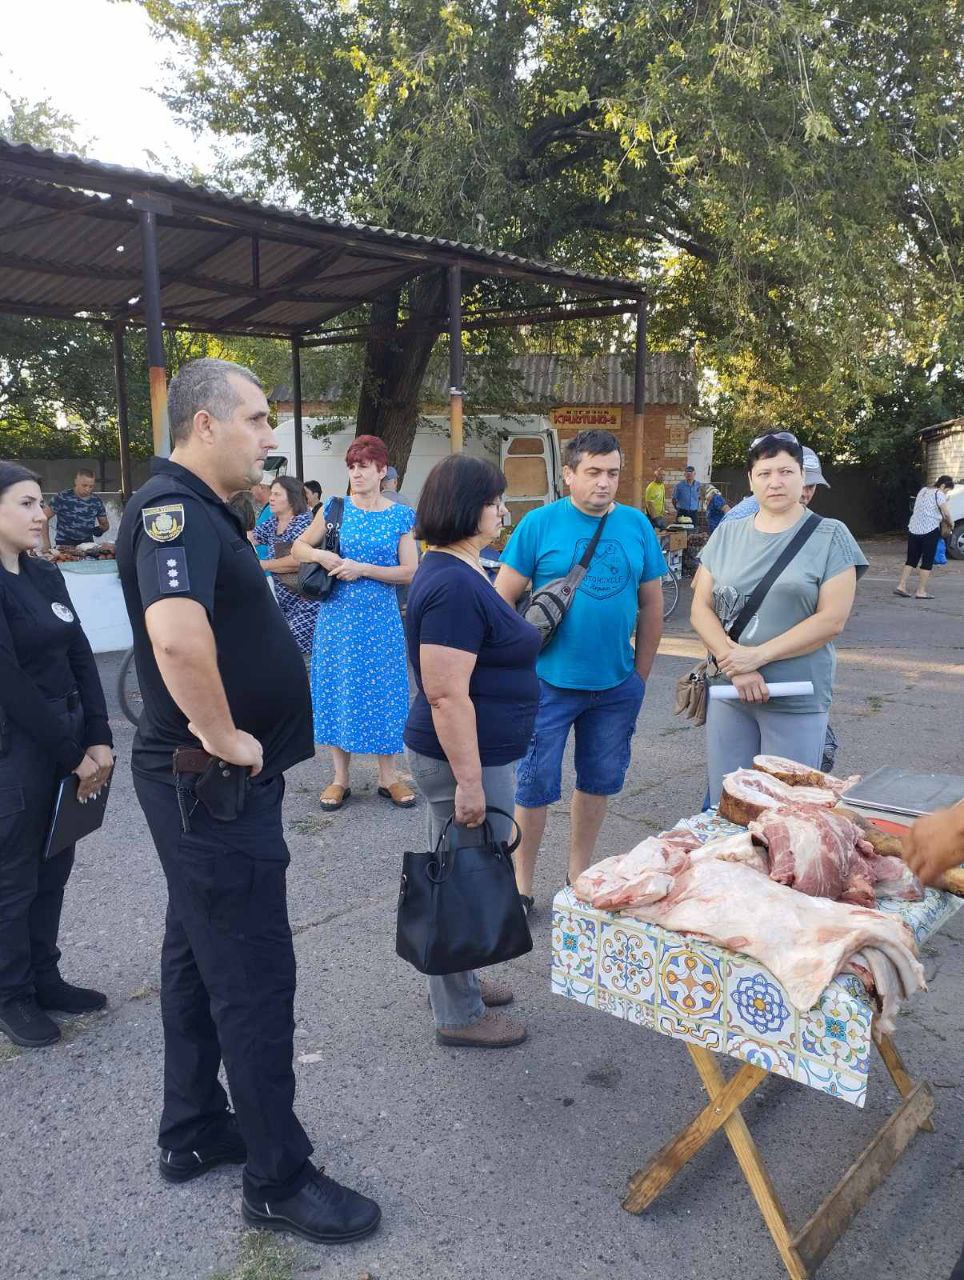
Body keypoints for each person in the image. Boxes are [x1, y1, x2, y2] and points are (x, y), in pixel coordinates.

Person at [115, 359, 380, 1245]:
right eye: (260, 420)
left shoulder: (201, 512)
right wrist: (227, 737)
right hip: (211, 784)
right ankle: (277, 1177)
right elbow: (178, 638)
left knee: (196, 952)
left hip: (210, 788)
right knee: (255, 977)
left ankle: (192, 1131)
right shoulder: (173, 511)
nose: (272, 438)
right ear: (204, 425)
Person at [494, 429, 667, 912]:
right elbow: (501, 600)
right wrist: (512, 673)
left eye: (612, 473)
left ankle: (578, 877)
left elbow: (652, 604)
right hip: (546, 684)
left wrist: (640, 675)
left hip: (615, 686)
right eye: (593, 473)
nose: (604, 483)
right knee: (534, 786)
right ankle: (521, 886)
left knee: (597, 782)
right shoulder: (539, 525)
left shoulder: (636, 525)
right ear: (568, 474)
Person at [404, 455, 540, 1047]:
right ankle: (458, 1015)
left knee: (466, 868)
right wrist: (470, 782)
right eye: (493, 502)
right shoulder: (453, 584)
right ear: (465, 507)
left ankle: (462, 982)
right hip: (463, 759)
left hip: (478, 755)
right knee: (458, 876)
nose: (502, 511)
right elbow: (445, 695)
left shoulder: (465, 569)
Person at [0, 462, 113, 1049]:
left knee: (55, 865)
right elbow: (11, 684)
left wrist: (99, 735)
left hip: (67, 738)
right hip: (18, 749)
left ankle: (46, 978)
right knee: (14, 877)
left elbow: (80, 655)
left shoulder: (45, 577)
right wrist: (72, 752)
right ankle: (11, 995)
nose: (41, 515)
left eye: (40, 503)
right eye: (25, 503)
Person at [691, 432, 867, 806]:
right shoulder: (727, 534)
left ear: (803, 478)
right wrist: (737, 666)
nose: (775, 481)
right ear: (751, 479)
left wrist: (758, 657)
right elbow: (700, 608)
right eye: (765, 472)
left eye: (786, 471)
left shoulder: (832, 536)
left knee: (790, 811)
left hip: (796, 696)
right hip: (731, 689)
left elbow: (831, 620)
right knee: (731, 806)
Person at [293, 434, 418, 812]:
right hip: (337, 618)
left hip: (380, 618)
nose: (356, 473)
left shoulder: (399, 515)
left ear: (382, 471)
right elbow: (299, 548)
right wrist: (323, 557)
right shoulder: (333, 508)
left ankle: (388, 776)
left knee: (385, 690)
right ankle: (339, 778)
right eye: (351, 466)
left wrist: (364, 569)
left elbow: (411, 571)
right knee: (338, 688)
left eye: (364, 466)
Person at [259, 477, 321, 654]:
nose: (271, 498)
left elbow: (298, 561)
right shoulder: (273, 523)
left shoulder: (304, 523)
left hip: (305, 604)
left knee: (290, 651)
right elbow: (251, 536)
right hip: (283, 604)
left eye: (277, 494)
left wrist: (264, 565)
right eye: (271, 493)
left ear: (292, 498)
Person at [723, 445, 830, 523]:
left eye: (811, 486)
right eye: (801, 485)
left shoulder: (815, 524)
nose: (805, 493)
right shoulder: (740, 519)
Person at [896, 475, 955, 600]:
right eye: (947, 490)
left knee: (911, 560)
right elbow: (946, 513)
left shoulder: (923, 490)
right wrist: (951, 523)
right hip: (929, 530)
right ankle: (921, 591)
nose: (946, 493)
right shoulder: (939, 493)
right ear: (943, 485)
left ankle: (901, 586)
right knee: (927, 561)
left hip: (913, 529)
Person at [42, 467, 109, 549]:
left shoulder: (96, 501)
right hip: (64, 544)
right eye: (84, 485)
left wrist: (100, 530)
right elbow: (43, 517)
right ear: (76, 481)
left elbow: (105, 524)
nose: (87, 489)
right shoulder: (62, 497)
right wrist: (46, 544)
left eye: (91, 486)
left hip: (87, 545)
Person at [250, 480, 273, 559]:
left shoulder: (272, 511)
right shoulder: (267, 509)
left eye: (251, 488)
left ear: (261, 487)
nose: (251, 492)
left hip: (270, 567)